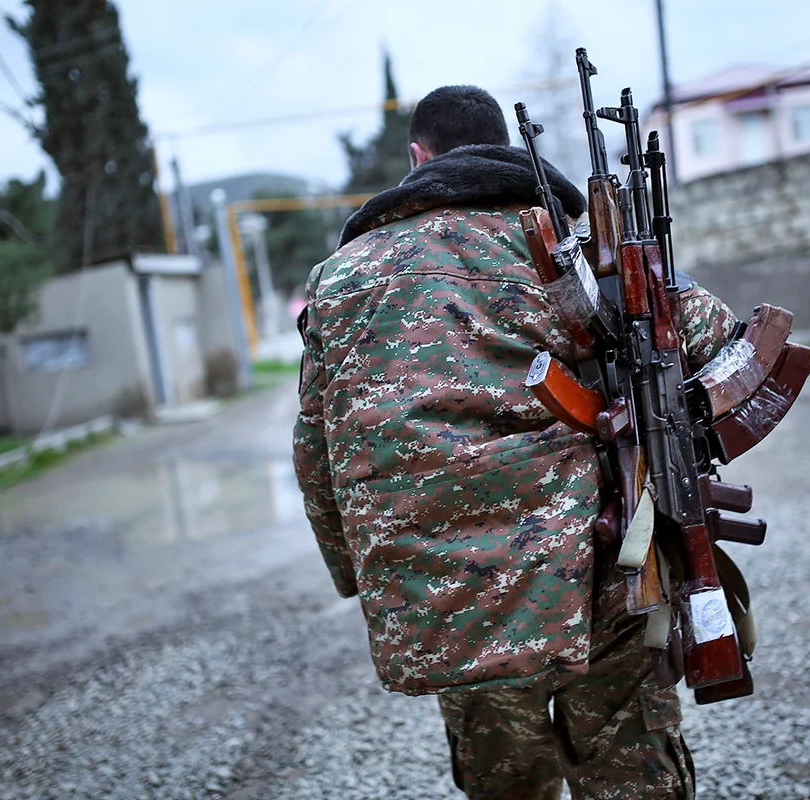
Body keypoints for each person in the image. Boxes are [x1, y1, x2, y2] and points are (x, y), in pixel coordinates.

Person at [293, 85, 740, 799]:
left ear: (418, 157)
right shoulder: (572, 241)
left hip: (443, 596)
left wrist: (361, 574)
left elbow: (316, 454)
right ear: (500, 145)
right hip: (601, 571)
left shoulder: (341, 279)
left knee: (507, 784)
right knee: (632, 777)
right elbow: (722, 346)